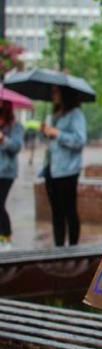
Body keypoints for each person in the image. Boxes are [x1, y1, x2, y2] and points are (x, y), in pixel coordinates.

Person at [41, 85, 87, 247]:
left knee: (69, 211)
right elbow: (54, 144)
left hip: (67, 171)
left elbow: (80, 140)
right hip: (51, 169)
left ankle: (73, 249)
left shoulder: (76, 114)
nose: (53, 94)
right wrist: (46, 132)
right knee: (56, 212)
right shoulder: (56, 115)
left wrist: (56, 133)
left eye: (56, 91)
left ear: (65, 93)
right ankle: (58, 248)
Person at [0, 100, 24, 250]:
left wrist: (3, 139)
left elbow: (16, 147)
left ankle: (6, 236)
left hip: (6, 172)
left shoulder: (15, 126)